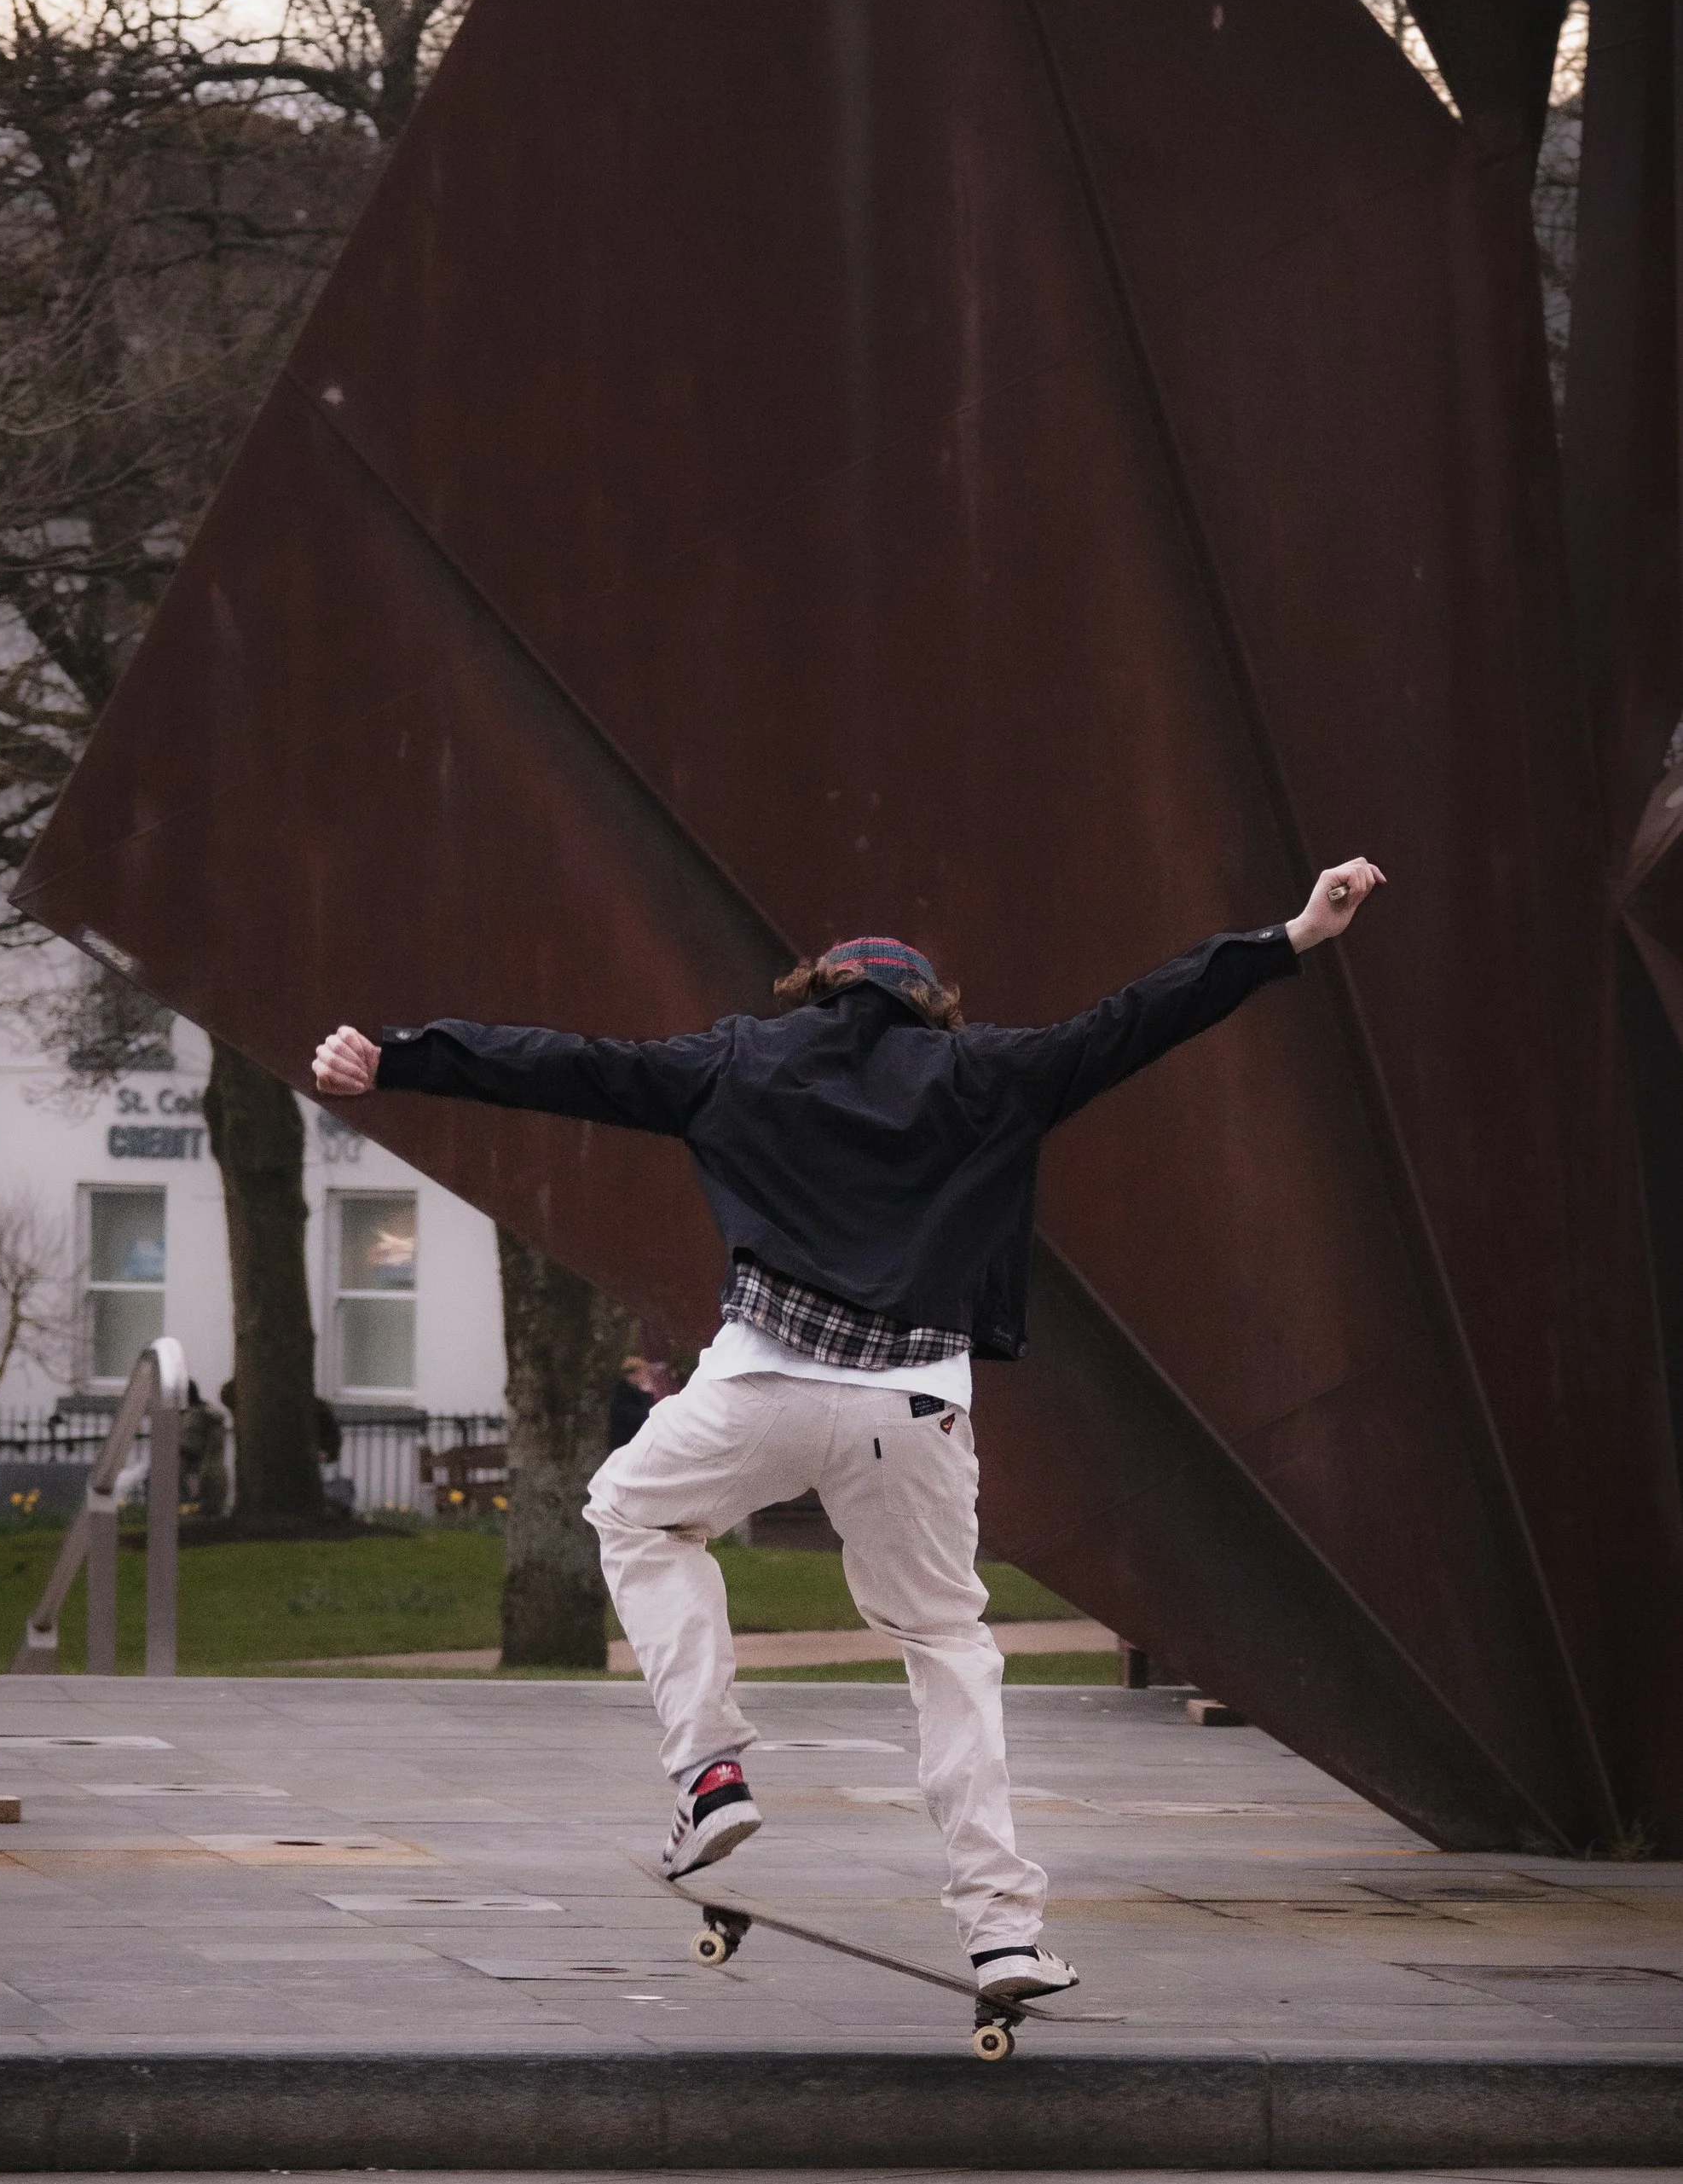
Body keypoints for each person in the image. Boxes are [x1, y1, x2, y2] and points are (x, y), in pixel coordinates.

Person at [313, 860, 1384, 2011]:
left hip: (759, 1389)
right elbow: (1139, 1017)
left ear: (818, 992)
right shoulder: (988, 1073)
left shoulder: (737, 1058)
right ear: (929, 1007)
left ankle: (710, 1767)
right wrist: (1295, 933)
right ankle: (1003, 1931)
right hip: (912, 1410)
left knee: (631, 1510)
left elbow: (569, 1065)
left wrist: (399, 1055)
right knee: (948, 1648)